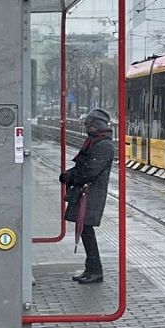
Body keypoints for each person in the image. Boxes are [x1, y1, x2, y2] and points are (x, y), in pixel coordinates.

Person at [59, 108, 115, 284]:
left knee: (86, 231)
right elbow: (84, 165)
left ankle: (95, 270)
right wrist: (71, 174)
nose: (86, 128)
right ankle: (91, 268)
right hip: (85, 192)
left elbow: (90, 171)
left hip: (91, 194)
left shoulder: (103, 145)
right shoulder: (93, 142)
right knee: (84, 230)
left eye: (89, 125)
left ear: (97, 125)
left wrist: (71, 176)